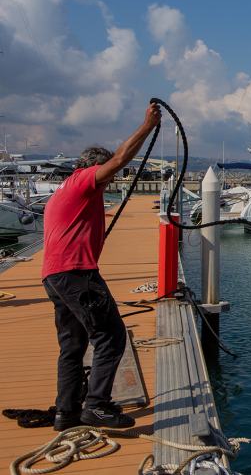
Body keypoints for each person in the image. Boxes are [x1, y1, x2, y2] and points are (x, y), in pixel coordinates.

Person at [43, 103, 162, 431]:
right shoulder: (83, 182)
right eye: (106, 175)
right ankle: (96, 405)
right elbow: (121, 159)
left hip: (54, 276)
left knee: (73, 345)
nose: (109, 181)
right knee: (110, 335)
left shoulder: (63, 192)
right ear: (94, 168)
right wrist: (147, 126)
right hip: (76, 273)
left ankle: (65, 413)